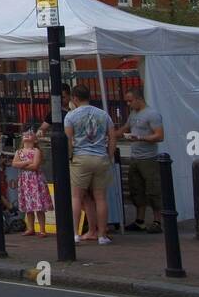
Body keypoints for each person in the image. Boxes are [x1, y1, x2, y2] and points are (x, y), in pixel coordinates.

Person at [64, 86, 118, 245]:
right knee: (101, 198)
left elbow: (68, 139)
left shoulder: (70, 116)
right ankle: (101, 235)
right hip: (101, 157)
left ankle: (74, 234)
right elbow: (112, 137)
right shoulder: (103, 114)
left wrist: (70, 157)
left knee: (76, 197)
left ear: (74, 98)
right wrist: (109, 156)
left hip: (81, 157)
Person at [119, 89, 164, 233]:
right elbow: (125, 128)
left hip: (148, 158)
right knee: (136, 189)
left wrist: (140, 138)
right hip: (135, 157)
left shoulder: (152, 114)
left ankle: (157, 221)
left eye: (130, 101)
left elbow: (159, 136)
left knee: (153, 190)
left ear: (139, 99)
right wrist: (111, 135)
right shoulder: (133, 114)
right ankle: (140, 220)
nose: (128, 104)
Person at [13, 129, 52, 237]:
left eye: (30, 134)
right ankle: (30, 228)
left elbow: (35, 166)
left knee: (39, 206)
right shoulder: (18, 151)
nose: (26, 135)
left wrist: (22, 164)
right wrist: (27, 162)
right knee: (28, 206)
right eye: (25, 134)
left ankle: (42, 229)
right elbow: (14, 164)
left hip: (35, 180)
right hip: (25, 181)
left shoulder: (36, 151)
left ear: (35, 140)